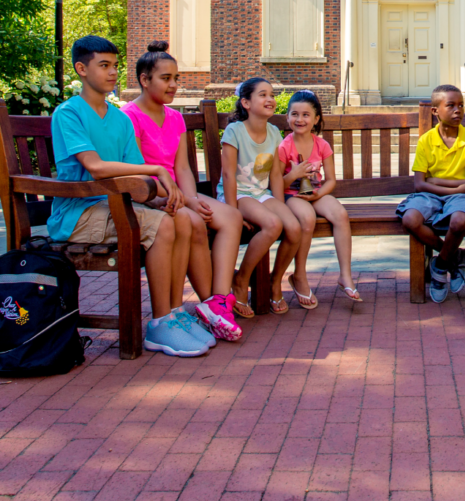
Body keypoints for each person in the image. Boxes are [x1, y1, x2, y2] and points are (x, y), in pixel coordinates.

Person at [48, 36, 211, 357]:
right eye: (104, 66)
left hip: (116, 206)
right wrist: (158, 172)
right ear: (81, 69)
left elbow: (135, 174)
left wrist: (162, 198)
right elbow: (94, 166)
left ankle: (174, 314)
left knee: (176, 218)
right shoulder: (68, 113)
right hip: (77, 214)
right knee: (162, 226)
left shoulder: (120, 118)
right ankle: (160, 322)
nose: (112, 73)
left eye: (115, 66)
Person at [123, 42, 244, 343]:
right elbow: (138, 171)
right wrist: (184, 202)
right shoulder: (129, 117)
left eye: (176, 78)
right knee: (192, 220)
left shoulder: (175, 118)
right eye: (166, 78)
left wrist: (191, 198)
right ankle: (207, 307)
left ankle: (217, 300)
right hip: (151, 196)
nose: (174, 85)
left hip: (179, 192)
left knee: (231, 217)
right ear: (144, 79)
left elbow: (184, 169)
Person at [218, 77, 302, 317]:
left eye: (272, 95)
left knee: (294, 228)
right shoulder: (234, 131)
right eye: (263, 95)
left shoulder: (274, 132)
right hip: (238, 194)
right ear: (245, 102)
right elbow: (228, 175)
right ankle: (241, 280)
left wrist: (278, 203)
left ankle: (275, 282)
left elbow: (275, 174)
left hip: (261, 193)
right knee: (273, 224)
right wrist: (233, 212)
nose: (270, 99)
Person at [397, 84, 465, 303]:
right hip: (432, 196)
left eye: (461, 105)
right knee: (410, 219)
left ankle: (439, 266)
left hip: (462, 197)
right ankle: (454, 257)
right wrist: (456, 186)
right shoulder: (427, 140)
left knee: (458, 222)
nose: (458, 110)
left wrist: (436, 180)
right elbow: (419, 184)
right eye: (451, 105)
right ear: (435, 111)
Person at [275, 90, 362, 308]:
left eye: (306, 115)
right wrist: (293, 175)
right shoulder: (284, 146)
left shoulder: (322, 145)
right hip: (292, 195)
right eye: (294, 114)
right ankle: (300, 275)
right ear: (287, 117)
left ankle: (345, 276)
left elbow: (331, 180)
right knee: (307, 217)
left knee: (340, 214)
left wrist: (319, 194)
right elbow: (276, 183)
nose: (300, 119)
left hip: (315, 193)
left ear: (316, 119)